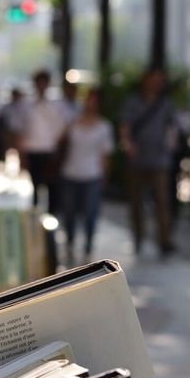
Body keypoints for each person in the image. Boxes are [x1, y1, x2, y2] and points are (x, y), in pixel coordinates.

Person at [119, 68, 178, 257]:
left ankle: (164, 240)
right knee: (136, 202)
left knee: (162, 201)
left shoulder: (165, 104)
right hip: (138, 159)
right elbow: (125, 126)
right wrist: (128, 145)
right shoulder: (133, 102)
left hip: (159, 159)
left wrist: (170, 143)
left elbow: (172, 126)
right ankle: (138, 236)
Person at [59, 88, 113, 265]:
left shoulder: (104, 127)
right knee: (69, 213)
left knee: (90, 214)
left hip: (92, 175)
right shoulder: (72, 123)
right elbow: (60, 143)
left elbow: (105, 154)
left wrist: (104, 175)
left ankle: (88, 247)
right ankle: (69, 243)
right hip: (71, 173)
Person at [21, 70, 68, 213]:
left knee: (51, 189)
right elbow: (22, 131)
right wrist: (22, 154)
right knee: (35, 188)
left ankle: (51, 224)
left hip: (49, 152)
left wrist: (57, 148)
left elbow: (63, 128)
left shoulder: (57, 105)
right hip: (33, 152)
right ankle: (35, 222)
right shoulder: (27, 105)